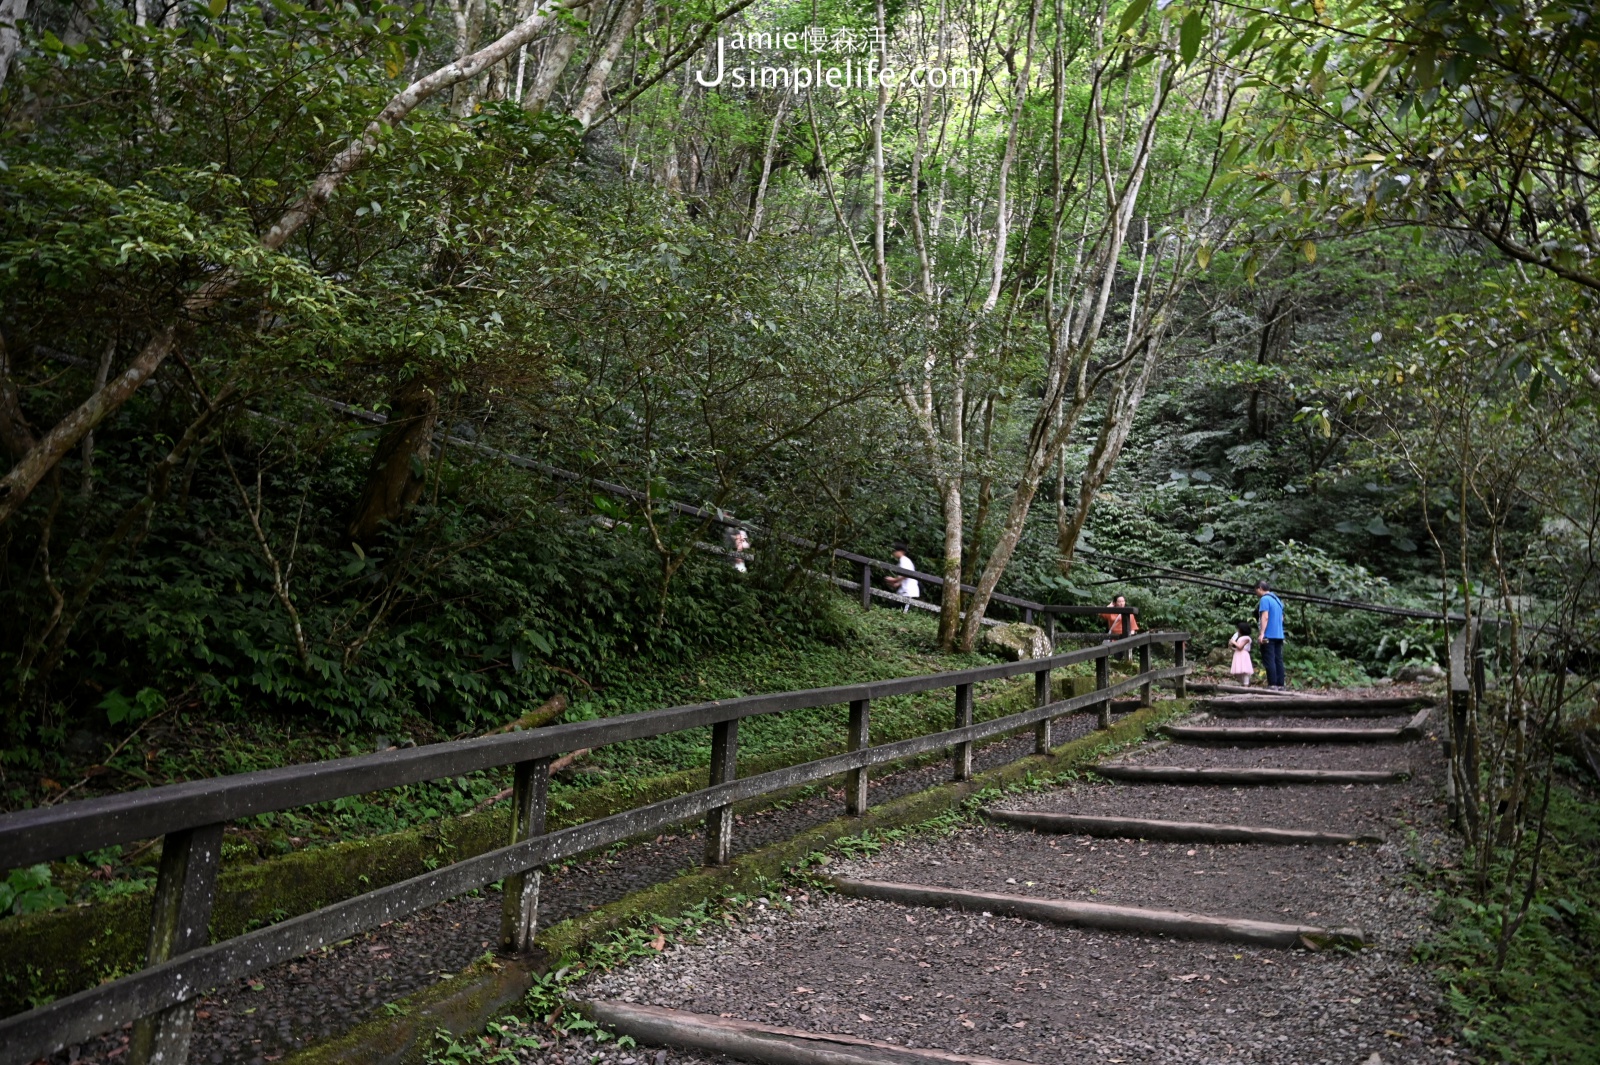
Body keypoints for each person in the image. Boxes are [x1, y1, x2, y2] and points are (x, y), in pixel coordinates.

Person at [1255, 579, 1287, 689]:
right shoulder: (1277, 600)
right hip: (1279, 634)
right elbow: (1282, 618)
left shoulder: (1265, 599)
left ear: (1260, 588)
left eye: (1256, 591)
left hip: (1269, 635)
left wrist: (1262, 633)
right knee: (1278, 659)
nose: (1256, 594)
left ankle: (1272, 684)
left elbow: (1265, 616)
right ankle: (1280, 684)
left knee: (1269, 659)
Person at [883, 545, 921, 611]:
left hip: (908, 592)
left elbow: (907, 574)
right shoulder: (901, 561)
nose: (893, 553)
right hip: (903, 592)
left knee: (904, 612)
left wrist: (894, 579)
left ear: (901, 551)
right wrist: (895, 583)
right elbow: (904, 578)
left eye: (895, 551)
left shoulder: (904, 560)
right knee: (894, 608)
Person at [1228, 622, 1254, 687]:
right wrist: (1231, 646)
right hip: (1238, 654)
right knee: (1238, 671)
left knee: (1245, 671)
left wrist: (1234, 642)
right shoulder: (1240, 637)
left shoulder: (1247, 638)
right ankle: (1243, 683)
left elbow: (1240, 647)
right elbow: (1237, 648)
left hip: (1243, 655)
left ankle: (1246, 684)